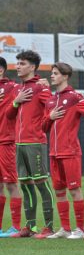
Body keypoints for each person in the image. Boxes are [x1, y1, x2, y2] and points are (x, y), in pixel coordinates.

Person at [6, 50, 55, 239]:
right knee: (25, 185)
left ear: (33, 67)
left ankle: (49, 227)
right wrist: (16, 103)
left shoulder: (40, 88)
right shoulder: (17, 90)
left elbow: (51, 106)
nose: (18, 66)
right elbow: (9, 116)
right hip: (19, 143)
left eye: (22, 63)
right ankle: (30, 227)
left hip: (35, 142)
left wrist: (48, 88)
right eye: (17, 63)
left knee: (42, 183)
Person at [42, 62, 84, 239]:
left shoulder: (75, 97)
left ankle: (79, 229)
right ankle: (65, 228)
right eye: (52, 73)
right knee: (59, 191)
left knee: (74, 190)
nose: (52, 76)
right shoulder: (50, 100)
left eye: (55, 73)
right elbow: (43, 126)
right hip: (54, 152)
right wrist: (50, 117)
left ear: (65, 76)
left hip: (70, 151)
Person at [0, 56, 22, 238]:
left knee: (11, 183)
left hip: (5, 141)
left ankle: (15, 226)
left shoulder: (13, 88)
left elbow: (32, 89)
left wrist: (43, 82)